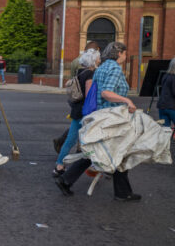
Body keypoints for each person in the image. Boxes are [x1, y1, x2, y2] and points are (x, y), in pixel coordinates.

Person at [54, 41, 142, 201]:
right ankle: (122, 192)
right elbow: (106, 93)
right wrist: (127, 101)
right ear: (119, 53)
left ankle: (66, 180)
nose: (125, 56)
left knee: (97, 151)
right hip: (112, 118)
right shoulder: (114, 68)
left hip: (102, 115)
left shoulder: (101, 68)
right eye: (124, 53)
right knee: (119, 152)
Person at [52, 48, 100, 176]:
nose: (99, 61)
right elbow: (89, 95)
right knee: (90, 141)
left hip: (77, 109)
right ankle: (94, 167)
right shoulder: (89, 74)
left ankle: (59, 166)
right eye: (98, 59)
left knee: (70, 140)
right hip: (85, 111)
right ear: (93, 61)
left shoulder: (80, 72)